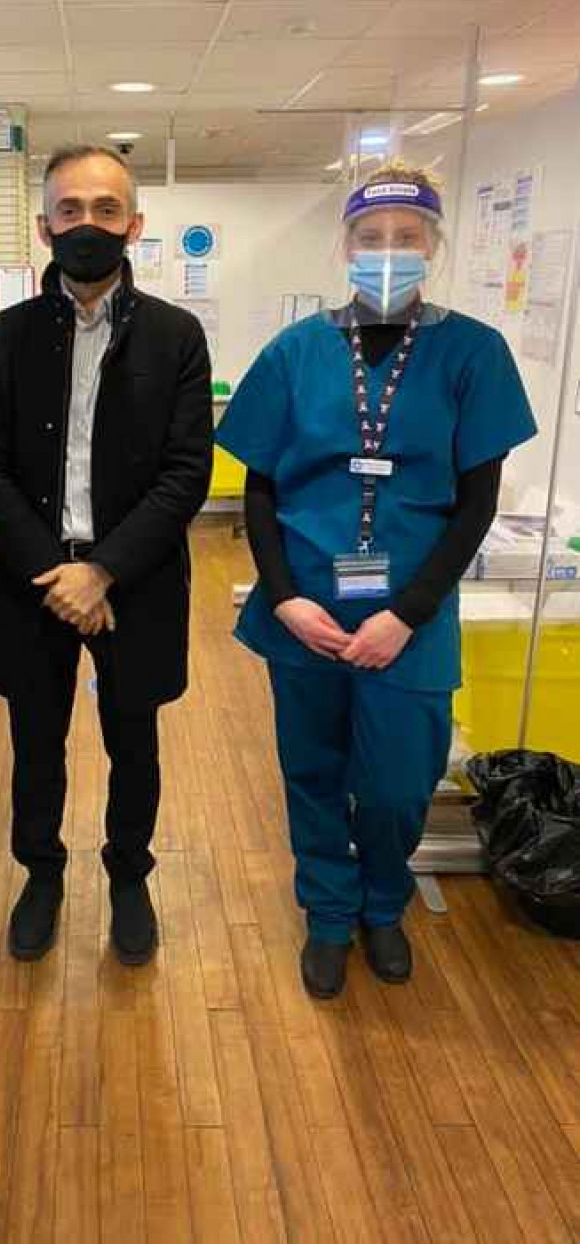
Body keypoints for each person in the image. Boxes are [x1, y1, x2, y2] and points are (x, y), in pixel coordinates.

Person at [216, 161, 537, 999]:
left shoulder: (473, 352)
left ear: (432, 246)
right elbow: (260, 485)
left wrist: (411, 611)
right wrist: (283, 596)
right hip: (309, 607)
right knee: (313, 772)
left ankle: (383, 904)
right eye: (370, 239)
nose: (387, 253)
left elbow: (477, 501)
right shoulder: (297, 352)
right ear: (345, 247)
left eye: (405, 239)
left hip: (413, 615)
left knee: (398, 785)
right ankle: (328, 913)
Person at [0, 145, 213, 966]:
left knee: (131, 739)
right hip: (30, 578)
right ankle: (41, 875)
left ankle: (129, 876)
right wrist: (56, 573)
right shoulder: (4, 337)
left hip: (130, 582)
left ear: (134, 225)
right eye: (70, 210)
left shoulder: (178, 336)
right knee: (36, 742)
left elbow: (186, 473)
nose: (87, 225)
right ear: (44, 226)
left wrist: (101, 570)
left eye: (106, 210)